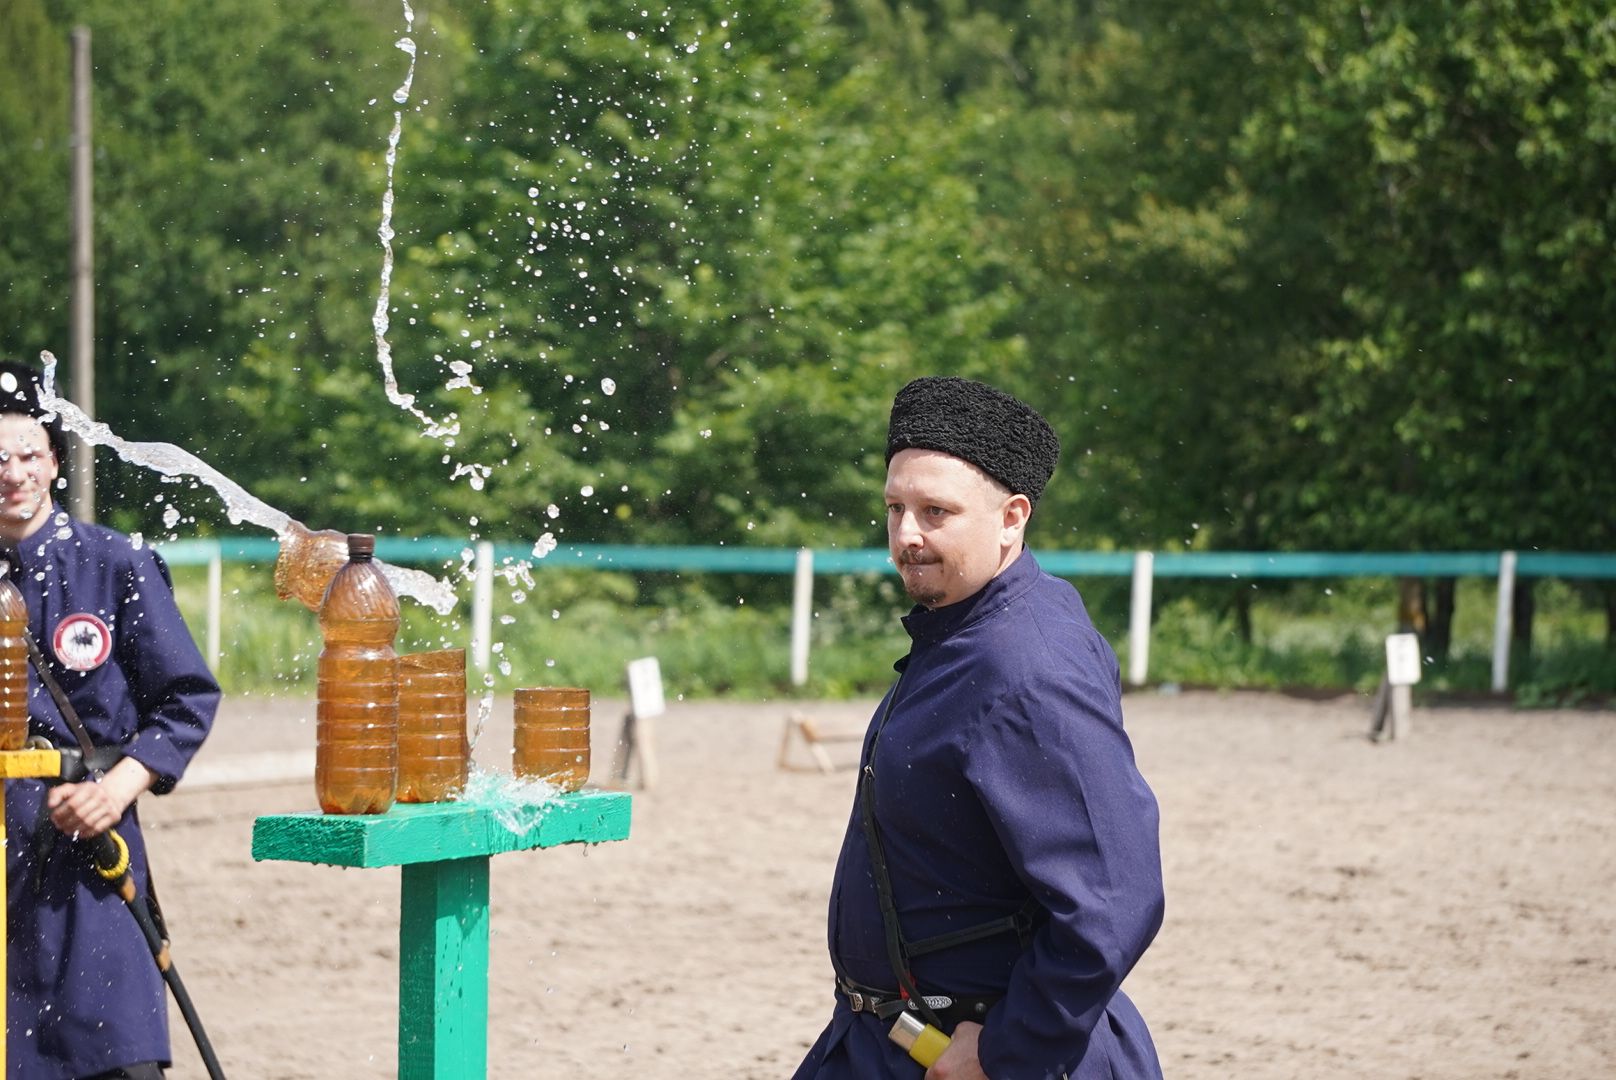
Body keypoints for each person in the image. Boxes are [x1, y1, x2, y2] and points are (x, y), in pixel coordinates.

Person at [794, 376, 1165, 1080]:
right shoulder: (965, 632)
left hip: (983, 1056)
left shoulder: (1026, 667)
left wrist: (1004, 1051)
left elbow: (1114, 898)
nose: (907, 536)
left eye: (937, 512)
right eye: (895, 508)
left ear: (1011, 518)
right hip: (895, 1044)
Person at [0, 362, 220, 1080]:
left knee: (116, 1061)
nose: (13, 474)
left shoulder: (113, 562)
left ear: (54, 462)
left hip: (91, 856)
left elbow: (187, 698)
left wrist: (115, 789)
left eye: (29, 455)